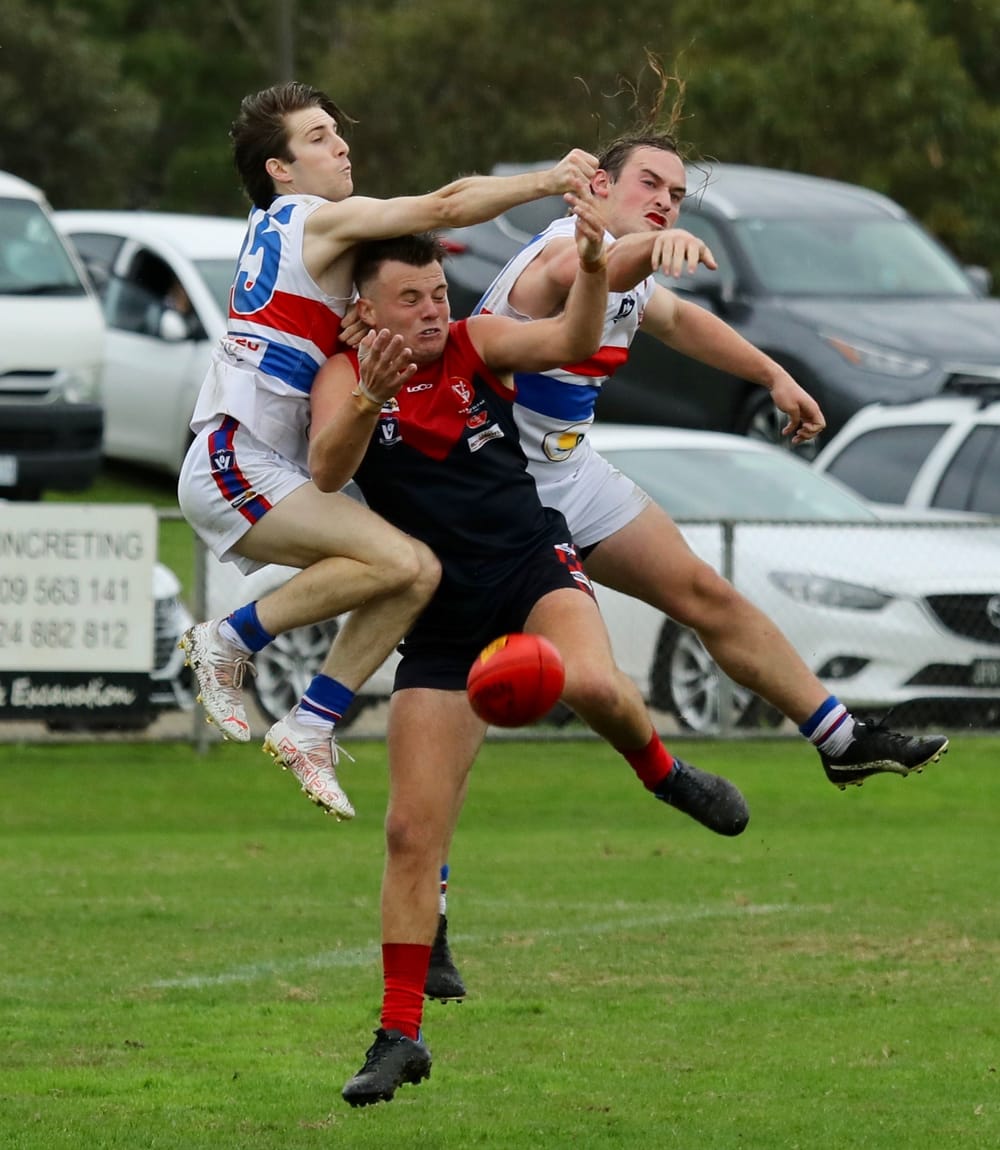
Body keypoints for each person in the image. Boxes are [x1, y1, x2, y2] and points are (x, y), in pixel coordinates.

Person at [416, 129, 950, 1000]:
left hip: (568, 474)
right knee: (475, 722)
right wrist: (636, 246)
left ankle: (842, 739)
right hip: (490, 501)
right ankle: (429, 920)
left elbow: (679, 317)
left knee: (704, 591)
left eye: (676, 193)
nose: (666, 200)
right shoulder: (562, 253)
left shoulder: (635, 271)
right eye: (650, 185)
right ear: (597, 187)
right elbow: (602, 270)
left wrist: (776, 376)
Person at [307, 207, 750, 1106]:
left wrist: (591, 266)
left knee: (590, 681)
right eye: (411, 298)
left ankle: (661, 772)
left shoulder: (475, 343)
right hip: (439, 618)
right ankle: (400, 1036)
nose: (433, 311)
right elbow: (324, 469)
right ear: (369, 308)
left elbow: (568, 336)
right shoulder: (349, 374)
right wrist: (367, 394)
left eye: (437, 292)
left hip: (528, 569)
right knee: (407, 832)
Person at [176, 80, 599, 818]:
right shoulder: (312, 217)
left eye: (336, 132)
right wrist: (550, 180)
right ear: (280, 169)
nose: (339, 144)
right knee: (401, 561)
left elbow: (329, 313)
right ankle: (227, 638)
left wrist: (355, 323)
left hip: (261, 459)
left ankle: (311, 723)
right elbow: (441, 206)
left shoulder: (280, 226)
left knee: (413, 572)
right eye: (315, 138)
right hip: (236, 455)